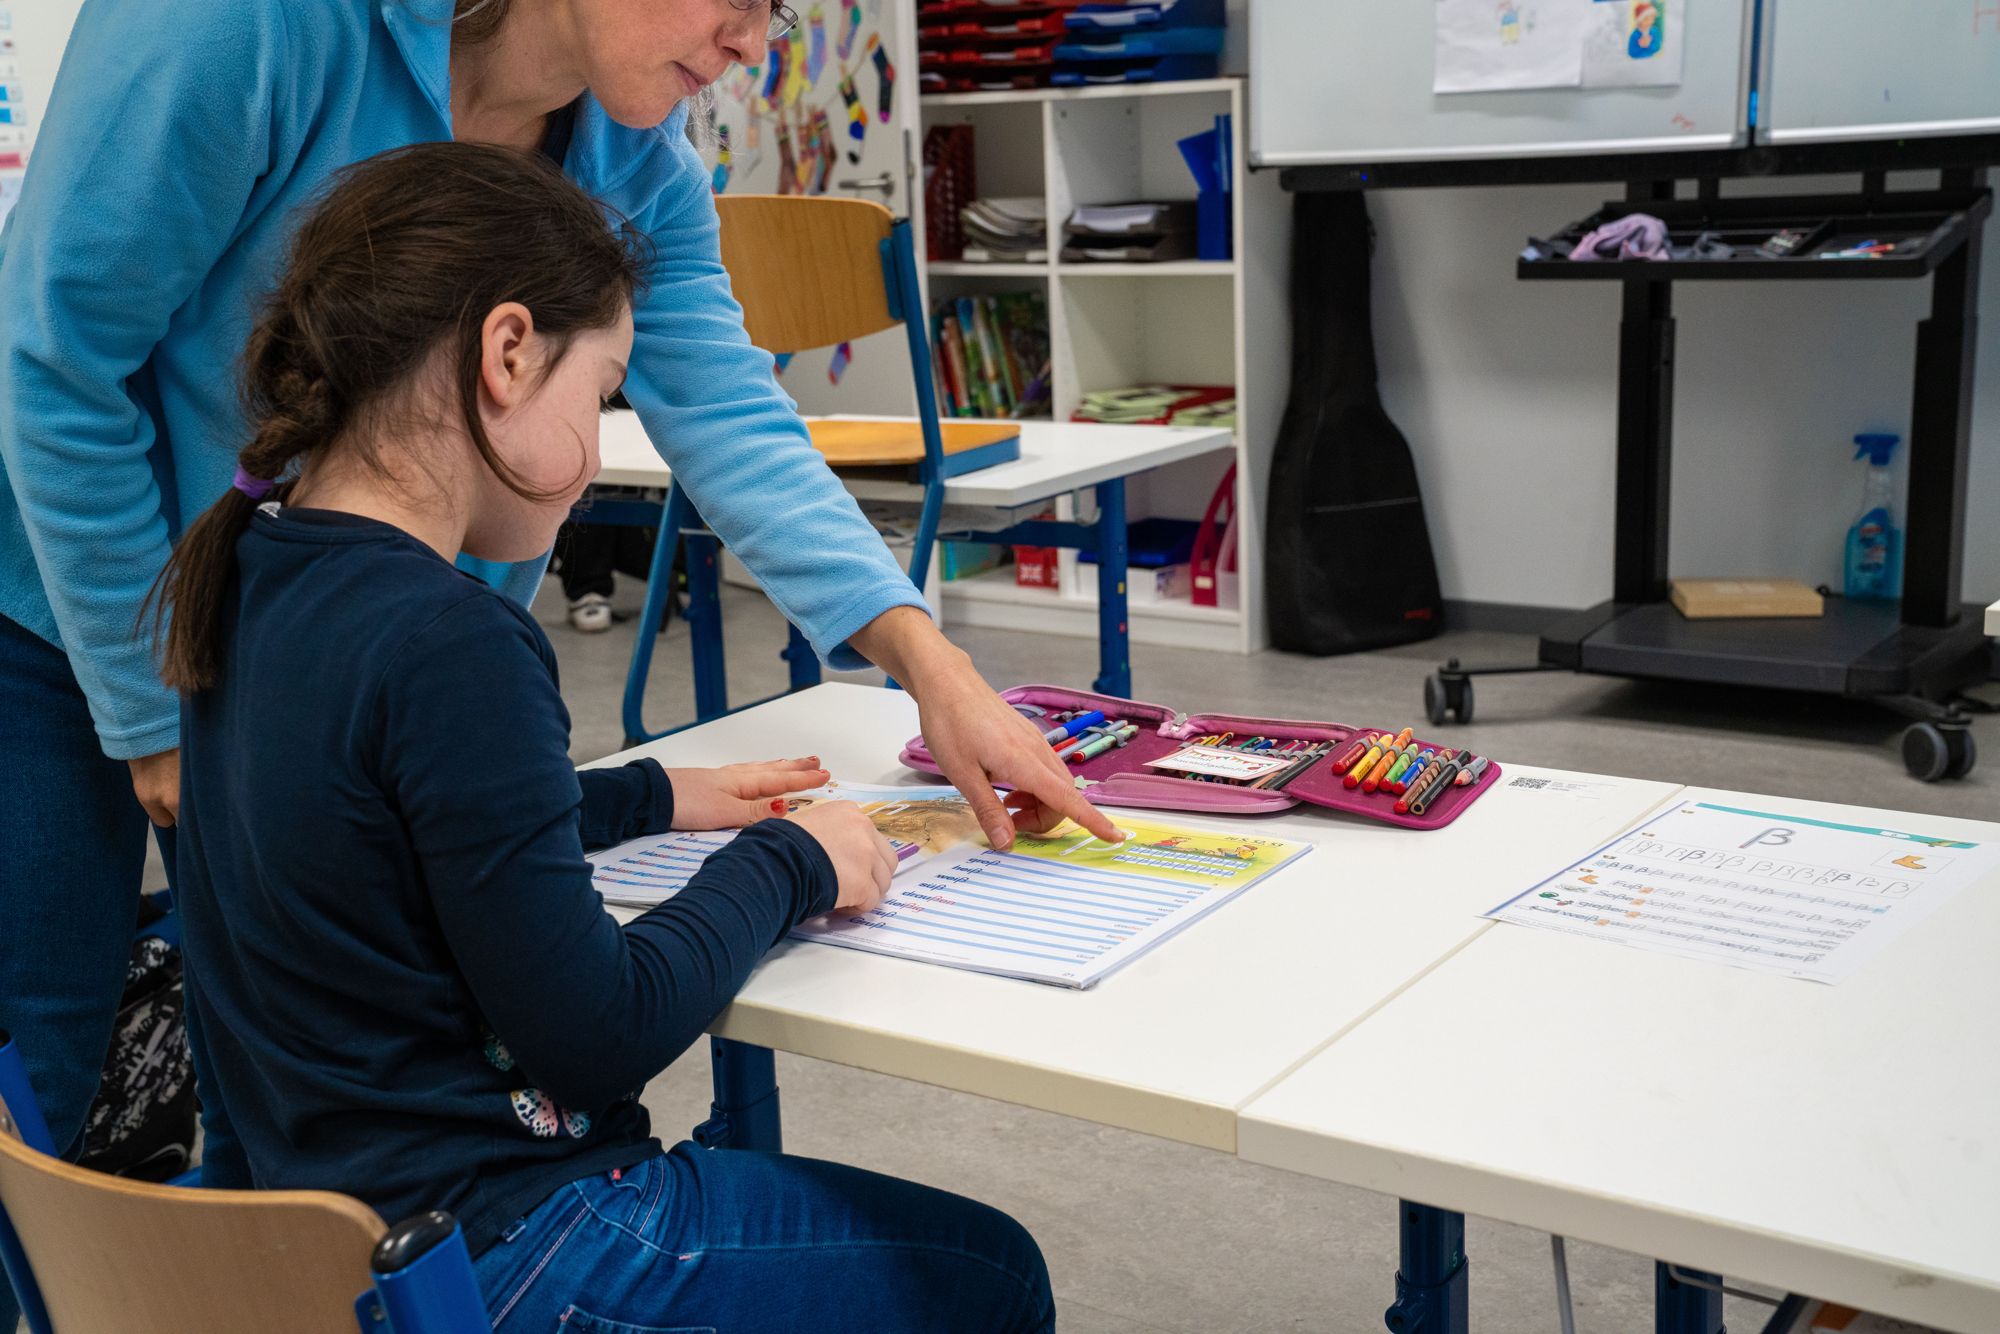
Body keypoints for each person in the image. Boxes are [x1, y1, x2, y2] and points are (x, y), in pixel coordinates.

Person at [0, 0, 1117, 1283]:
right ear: (509, 355)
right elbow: (52, 357)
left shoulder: (637, 154)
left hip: (306, 630)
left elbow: (732, 416)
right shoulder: (236, 26)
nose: (757, 41)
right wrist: (155, 716)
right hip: (81, 593)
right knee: (47, 1055)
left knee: (287, 1077)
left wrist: (936, 666)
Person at [155, 140, 1054, 1333]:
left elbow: (363, 829)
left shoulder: (255, 560)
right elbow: (596, 1034)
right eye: (602, 390)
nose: (598, 450)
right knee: (991, 1271)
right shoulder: (454, 642)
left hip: (307, 1242)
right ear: (507, 351)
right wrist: (793, 859)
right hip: (508, 1247)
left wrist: (643, 796)